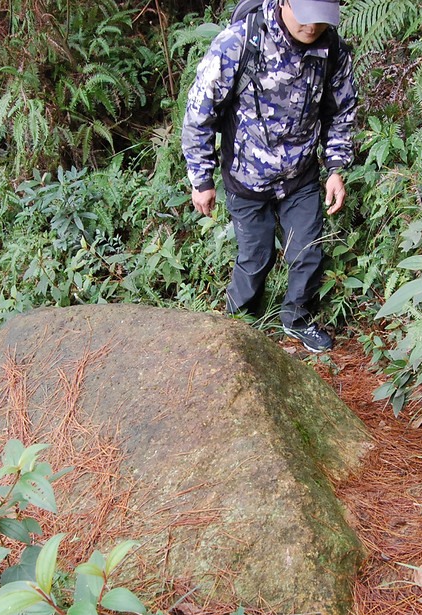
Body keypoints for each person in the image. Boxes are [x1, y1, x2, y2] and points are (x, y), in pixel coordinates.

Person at [181, 0, 357, 353]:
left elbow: (341, 112)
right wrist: (201, 179)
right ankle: (239, 326)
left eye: (321, 20)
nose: (312, 27)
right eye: (306, 18)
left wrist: (336, 168)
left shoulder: (332, 49)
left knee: (307, 251)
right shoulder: (238, 43)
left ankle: (297, 318)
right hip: (246, 176)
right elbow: (200, 113)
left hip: (301, 174)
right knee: (254, 257)